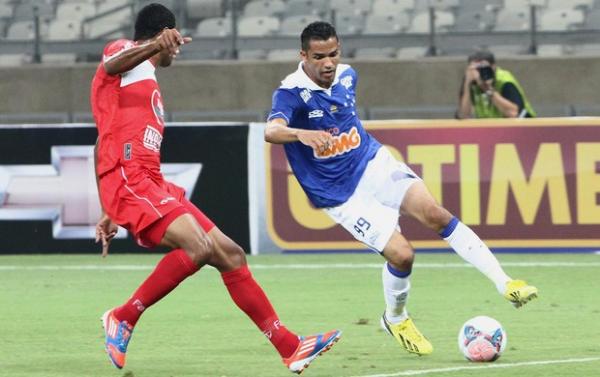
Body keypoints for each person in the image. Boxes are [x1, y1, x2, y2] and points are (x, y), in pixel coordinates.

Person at [91, 4, 340, 374]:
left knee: (230, 254)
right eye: (172, 40)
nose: (176, 48)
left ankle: (290, 347)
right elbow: (111, 65)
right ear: (163, 35)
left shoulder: (145, 78)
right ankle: (123, 317)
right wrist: (153, 43)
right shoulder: (123, 51)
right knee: (198, 246)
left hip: (148, 180)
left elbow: (107, 137)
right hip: (131, 177)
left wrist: (110, 210)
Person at [265, 21, 538, 356]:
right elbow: (271, 130)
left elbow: (341, 116)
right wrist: (300, 134)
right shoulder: (291, 92)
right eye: (319, 56)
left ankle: (506, 283)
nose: (329, 63)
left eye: (334, 54)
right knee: (403, 255)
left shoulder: (348, 75)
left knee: (436, 214)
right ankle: (395, 318)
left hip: (372, 162)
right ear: (303, 55)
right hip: (340, 194)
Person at [456, 50, 536, 119]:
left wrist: (487, 88)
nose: (480, 72)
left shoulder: (504, 80)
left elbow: (513, 113)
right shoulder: (471, 81)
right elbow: (463, 115)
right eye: (476, 68)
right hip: (493, 130)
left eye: (484, 68)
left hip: (523, 128)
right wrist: (467, 83)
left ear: (493, 66)